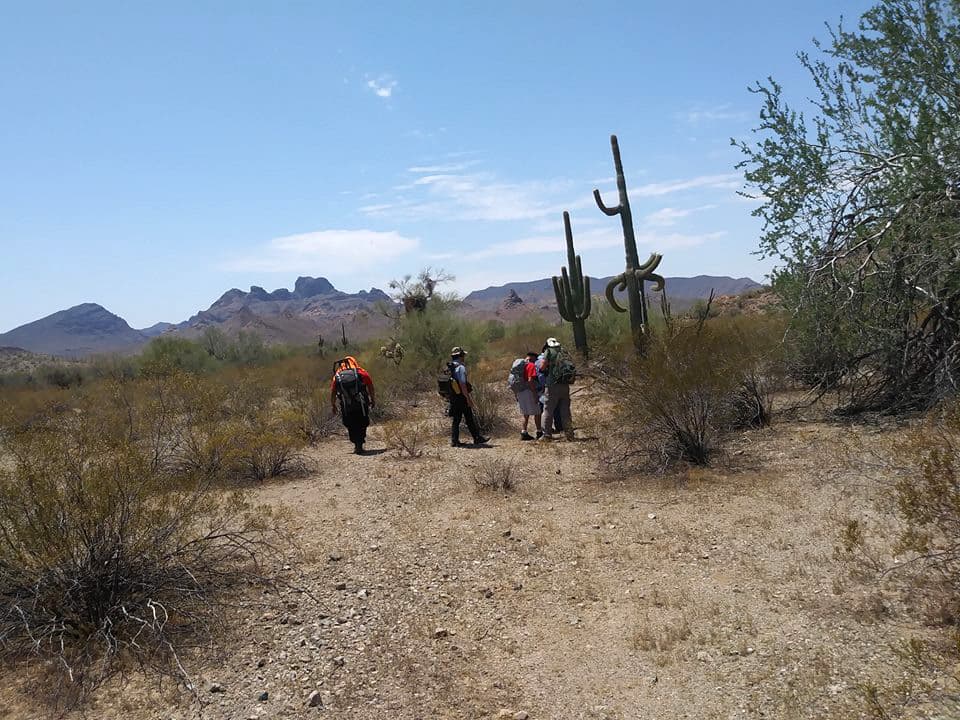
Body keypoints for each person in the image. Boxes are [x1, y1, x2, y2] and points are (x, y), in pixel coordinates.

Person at [330, 356, 375, 454]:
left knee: (350, 424)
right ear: (354, 362)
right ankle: (360, 444)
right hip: (361, 404)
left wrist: (333, 405)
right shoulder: (361, 372)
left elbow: (333, 391)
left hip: (347, 405)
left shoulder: (337, 376)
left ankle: (356, 444)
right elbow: (370, 386)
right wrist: (373, 399)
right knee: (362, 423)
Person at [448, 346, 489, 447]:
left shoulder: (450, 367)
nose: (464, 357)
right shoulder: (461, 367)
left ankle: (455, 440)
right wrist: (468, 398)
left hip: (453, 396)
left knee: (456, 419)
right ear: (460, 356)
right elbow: (462, 384)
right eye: (463, 355)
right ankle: (477, 438)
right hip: (461, 396)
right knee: (469, 417)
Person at [537, 337, 574, 442]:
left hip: (552, 384)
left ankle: (547, 435)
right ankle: (569, 433)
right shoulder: (564, 351)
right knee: (565, 410)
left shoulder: (548, 351)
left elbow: (542, 367)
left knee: (548, 409)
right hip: (565, 384)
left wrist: (543, 369)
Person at [515, 351, 543, 440]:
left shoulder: (519, 366)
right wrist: (535, 394)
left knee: (525, 414)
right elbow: (530, 380)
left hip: (520, 391)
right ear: (533, 358)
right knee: (537, 412)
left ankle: (524, 432)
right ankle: (539, 432)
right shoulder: (531, 365)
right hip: (528, 391)